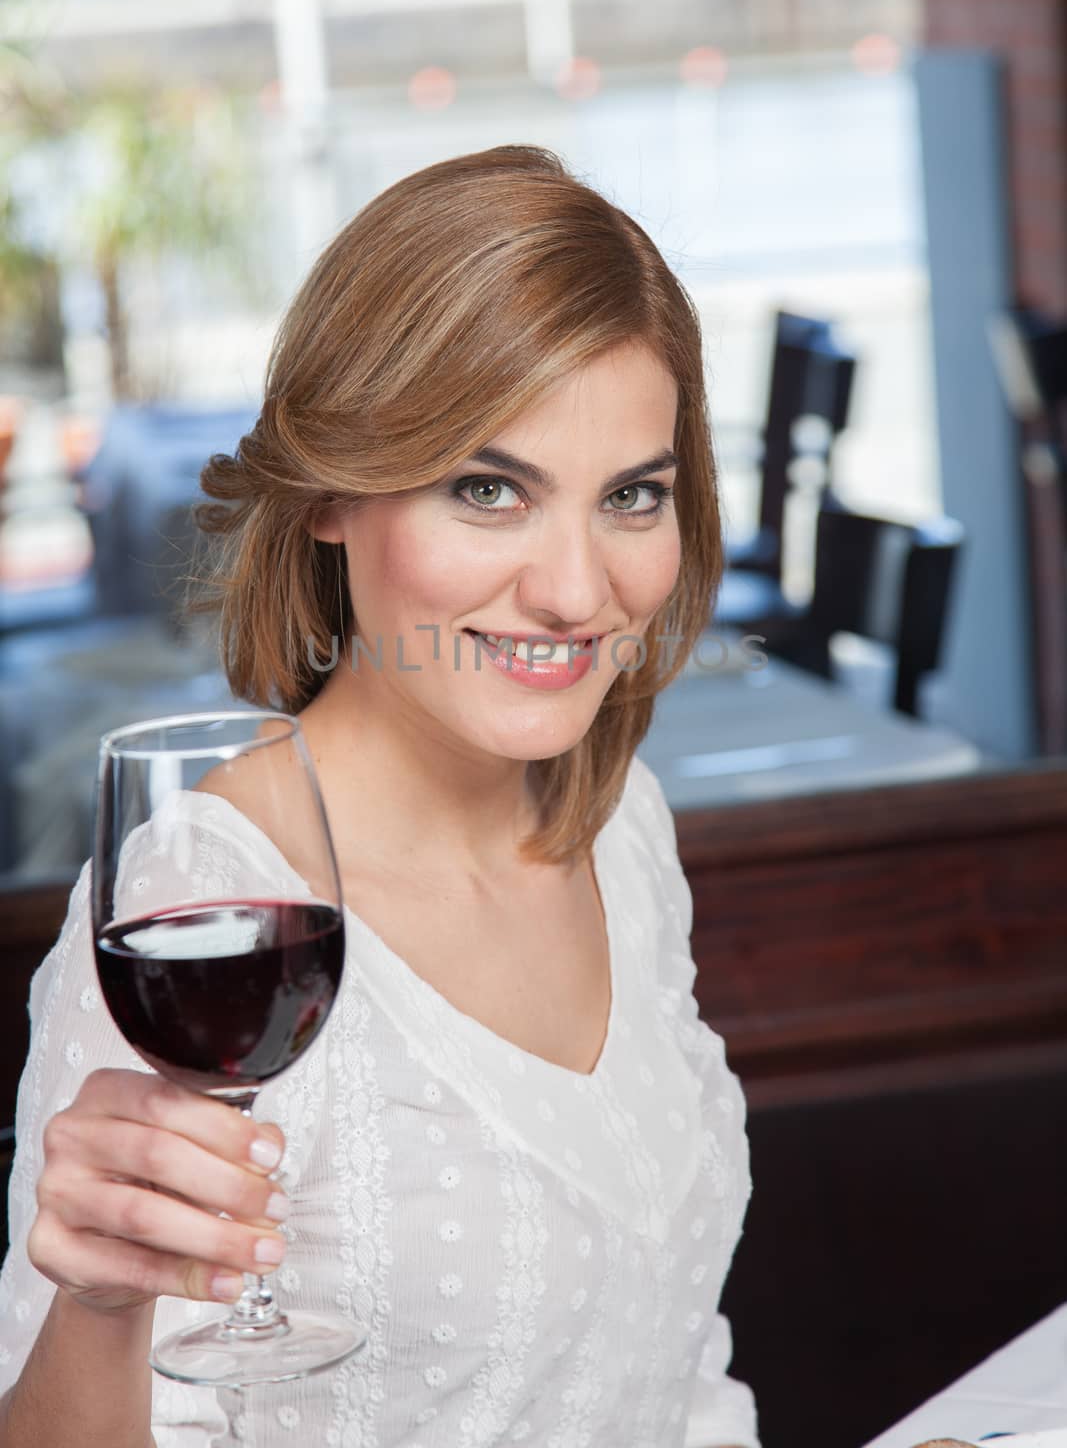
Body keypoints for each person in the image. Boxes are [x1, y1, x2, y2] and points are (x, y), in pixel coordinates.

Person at [0, 144, 759, 1447]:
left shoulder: (617, 823)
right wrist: (103, 1308)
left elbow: (680, 1366)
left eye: (633, 496)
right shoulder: (201, 912)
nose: (579, 592)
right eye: (487, 489)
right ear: (332, 494)